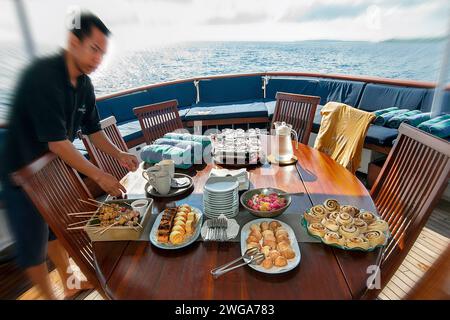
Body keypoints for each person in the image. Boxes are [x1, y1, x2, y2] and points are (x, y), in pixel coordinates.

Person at [0, 11, 139, 299]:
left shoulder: (85, 85)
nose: (98, 59)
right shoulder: (44, 76)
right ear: (73, 41)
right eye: (94, 49)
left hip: (52, 170)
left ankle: (67, 281)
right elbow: (57, 142)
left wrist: (121, 154)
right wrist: (99, 175)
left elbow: (93, 131)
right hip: (22, 172)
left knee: (54, 232)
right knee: (34, 247)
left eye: (103, 53)